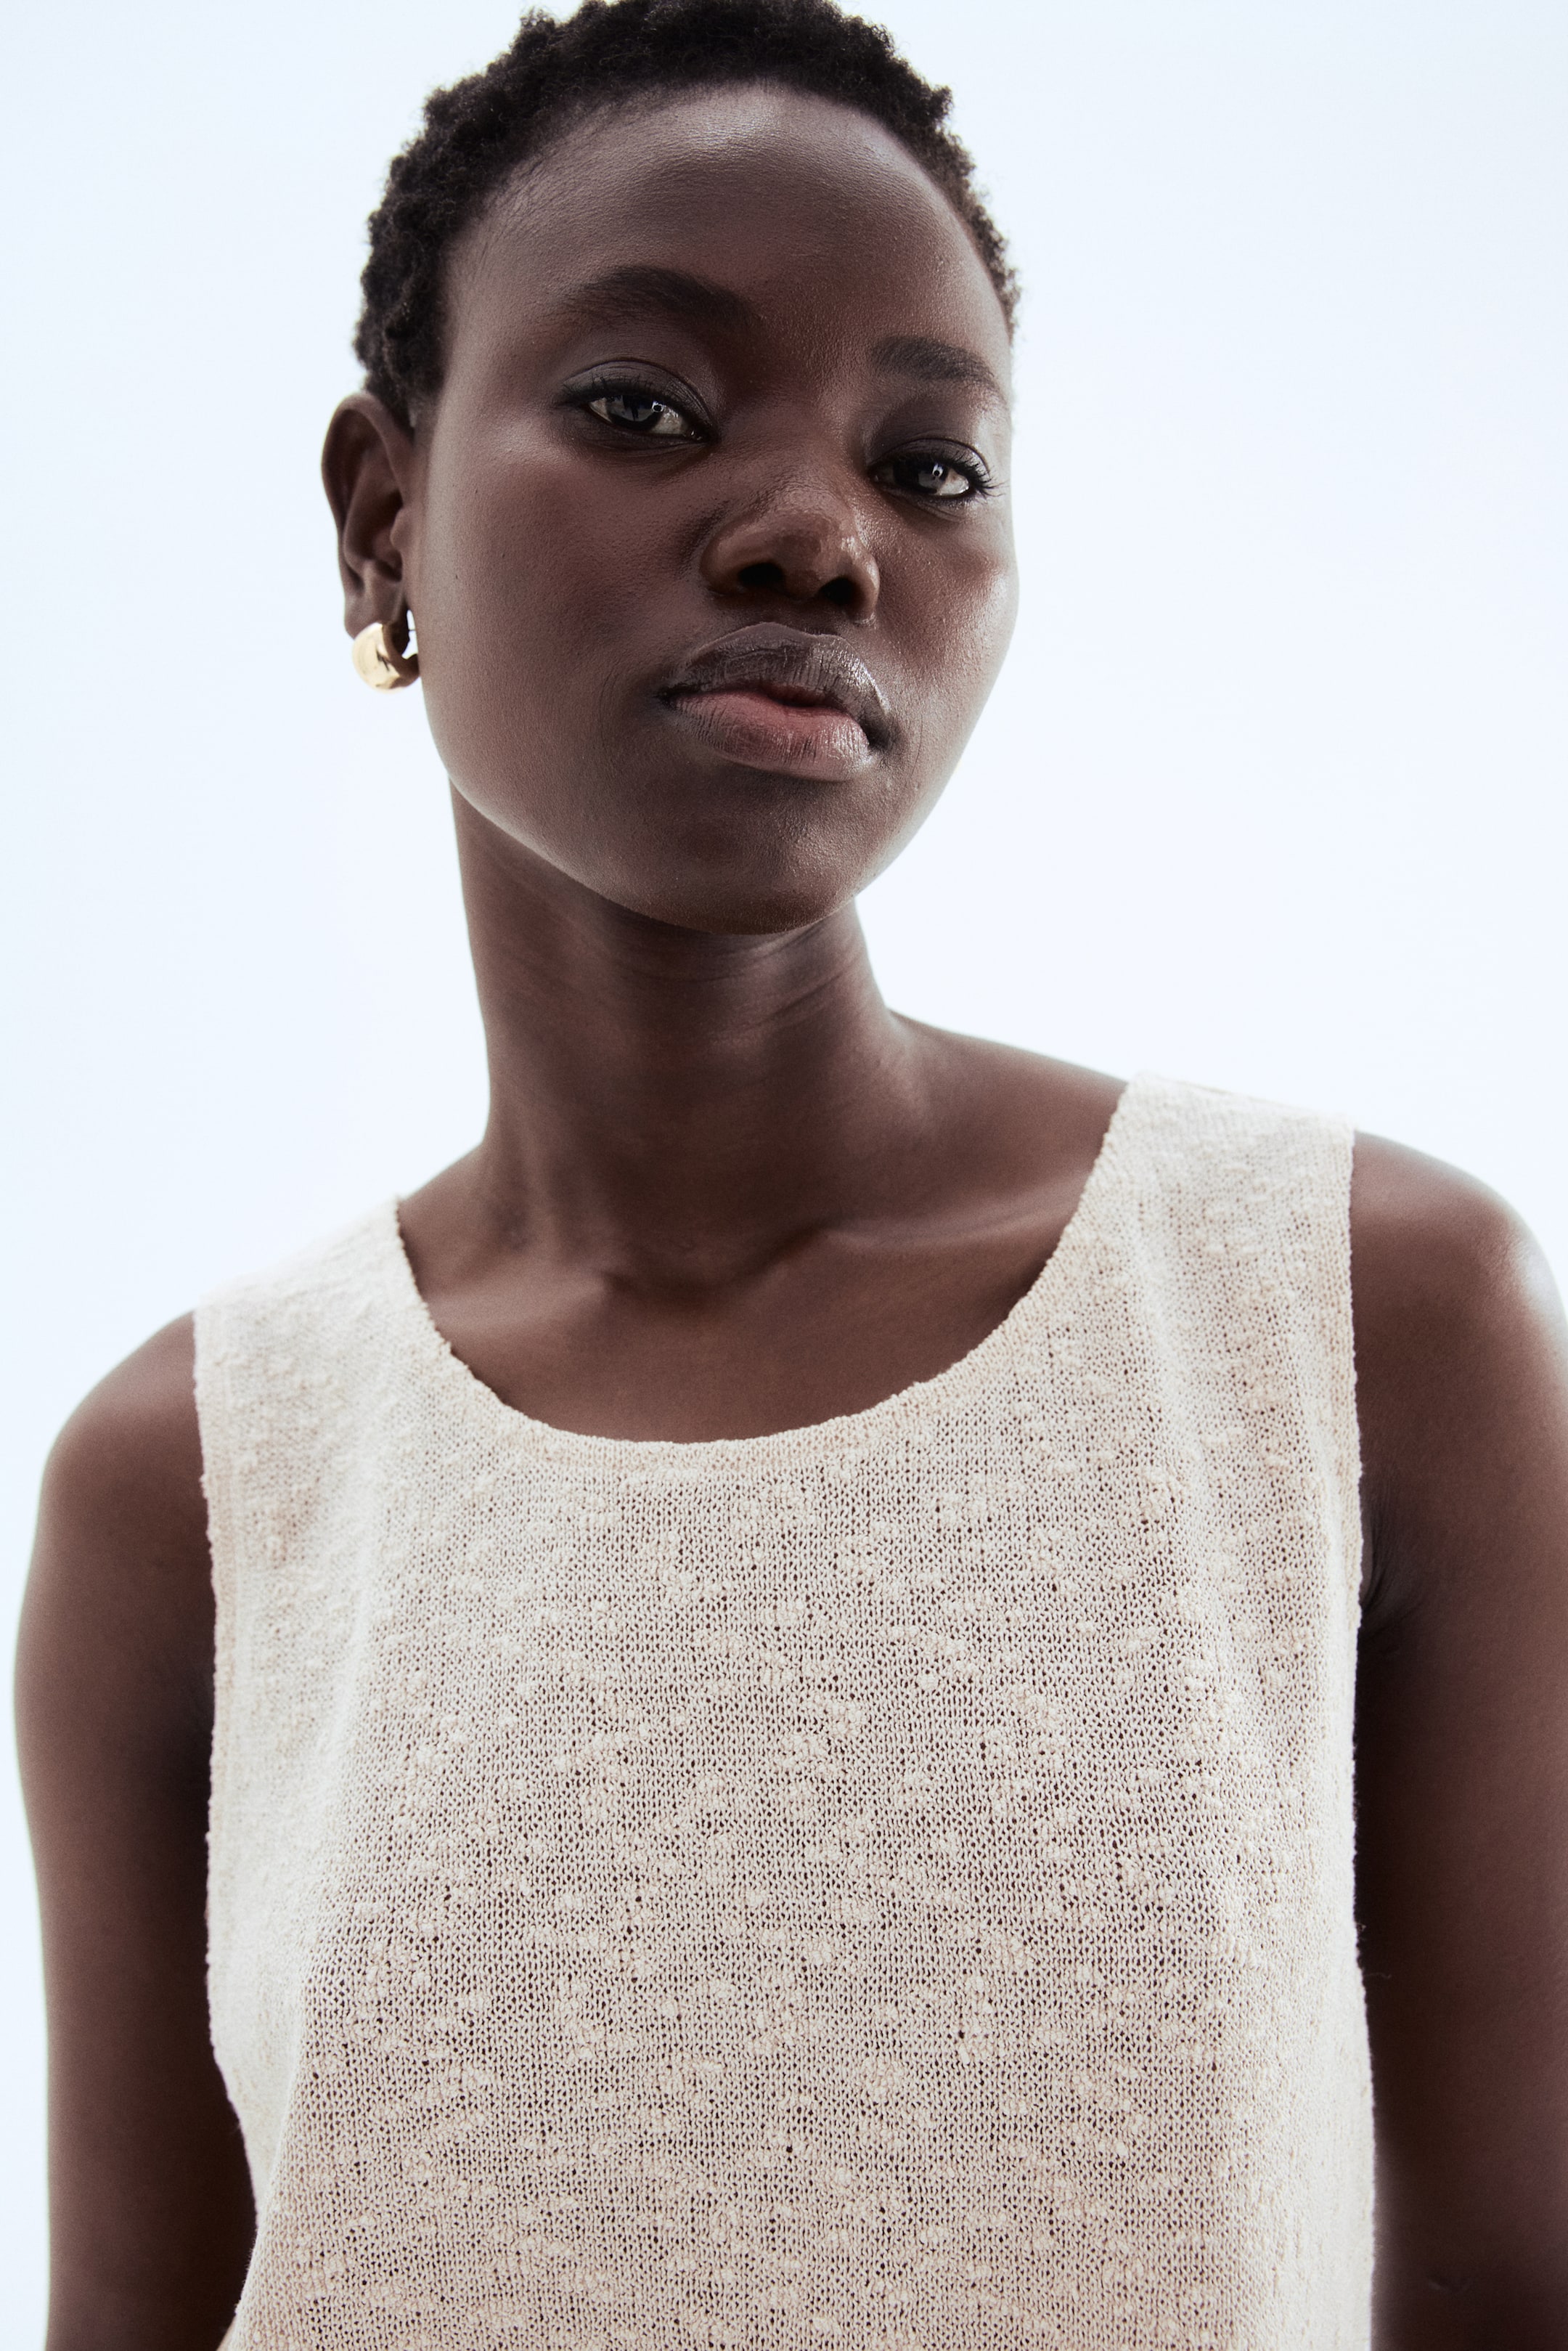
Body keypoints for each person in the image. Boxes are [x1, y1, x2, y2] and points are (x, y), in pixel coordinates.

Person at [17, 1, 1568, 2344]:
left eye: (930, 465)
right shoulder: (198, 1487)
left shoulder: (1358, 1327)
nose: (817, 537)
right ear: (381, 515)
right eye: (645, 406)